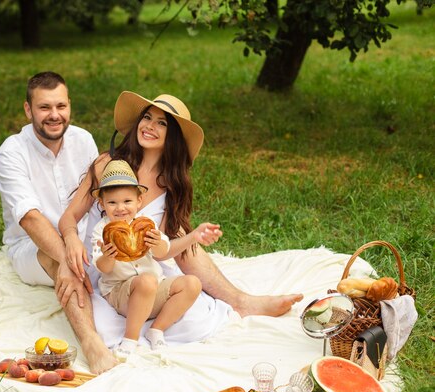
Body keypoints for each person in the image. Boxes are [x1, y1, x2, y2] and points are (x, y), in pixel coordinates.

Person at [58, 91, 303, 323]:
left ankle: (239, 301)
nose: (150, 126)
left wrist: (195, 235)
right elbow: (69, 218)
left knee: (194, 311)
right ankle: (239, 301)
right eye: (147, 117)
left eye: (162, 123)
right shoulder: (109, 165)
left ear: (173, 135)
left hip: (146, 269)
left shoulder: (171, 184)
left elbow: (164, 249)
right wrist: (71, 240)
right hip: (106, 268)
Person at [0, 71, 117, 374]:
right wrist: (67, 259)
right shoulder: (11, 151)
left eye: (61, 106)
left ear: (69, 106)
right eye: (44, 107)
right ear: (28, 110)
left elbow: (94, 198)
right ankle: (91, 342)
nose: (54, 115)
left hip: (82, 236)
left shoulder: (83, 139)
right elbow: (31, 219)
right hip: (31, 248)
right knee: (55, 258)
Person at [91, 159, 222, 360]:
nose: (121, 208)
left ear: (139, 201)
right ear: (102, 204)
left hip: (154, 289)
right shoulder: (103, 231)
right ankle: (130, 339)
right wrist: (109, 256)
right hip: (121, 293)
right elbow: (103, 267)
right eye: (112, 202)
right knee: (146, 279)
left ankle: (157, 329)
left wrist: (156, 243)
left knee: (192, 283)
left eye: (127, 201)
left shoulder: (146, 224)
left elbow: (163, 252)